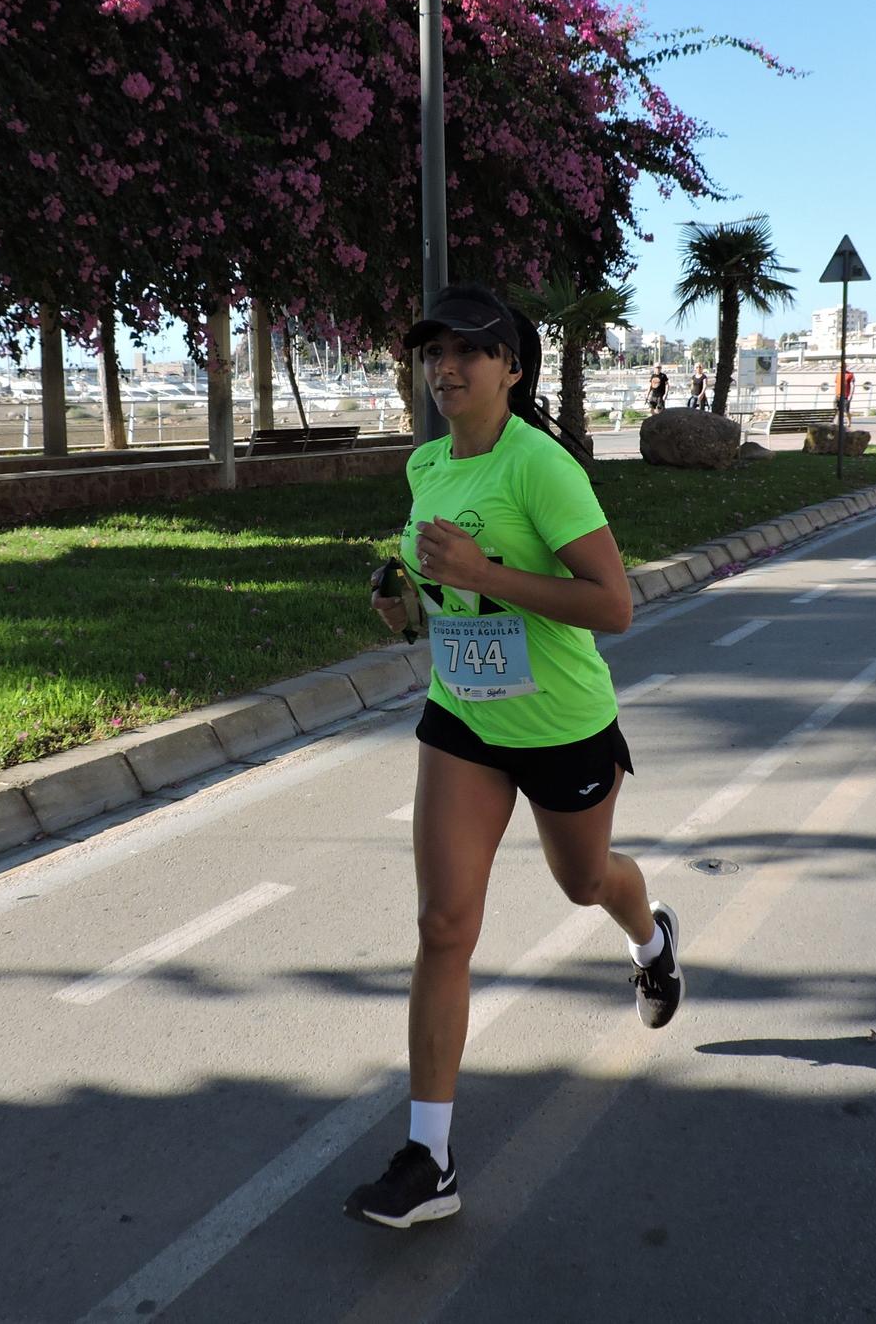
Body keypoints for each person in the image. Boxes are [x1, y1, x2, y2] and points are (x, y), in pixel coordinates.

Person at [348, 284, 682, 1230]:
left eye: (469, 351)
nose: (444, 367)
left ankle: (649, 935)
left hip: (562, 727)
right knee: (444, 926)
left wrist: (485, 574)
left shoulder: (544, 468)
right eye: (433, 352)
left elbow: (614, 604)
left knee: (585, 883)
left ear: (513, 368)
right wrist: (404, 607)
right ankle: (430, 1160)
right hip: (462, 719)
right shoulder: (424, 467)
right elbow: (444, 601)